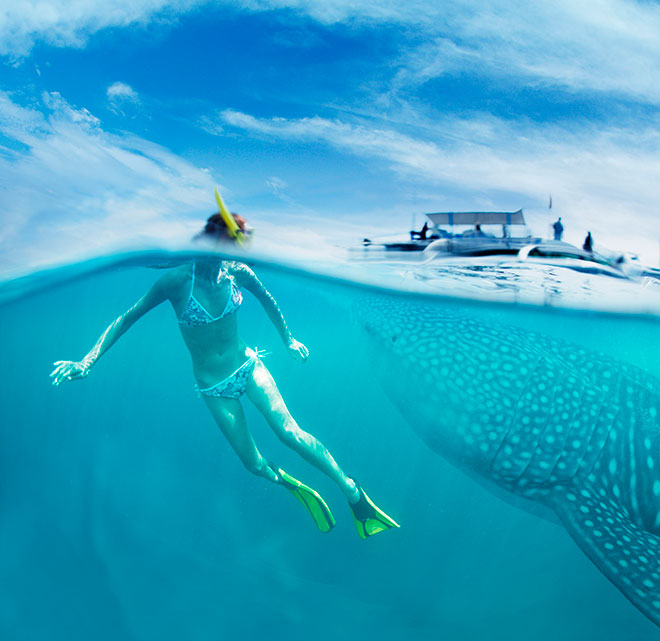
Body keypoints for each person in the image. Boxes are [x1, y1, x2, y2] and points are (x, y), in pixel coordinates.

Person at [49, 200, 398, 539]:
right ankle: (290, 483)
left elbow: (268, 299)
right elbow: (127, 318)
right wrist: (88, 361)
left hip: (247, 365)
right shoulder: (176, 282)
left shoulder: (238, 273)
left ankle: (354, 494)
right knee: (254, 465)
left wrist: (288, 339)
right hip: (213, 386)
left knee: (289, 432)